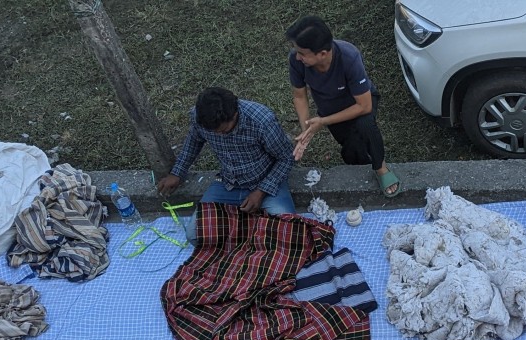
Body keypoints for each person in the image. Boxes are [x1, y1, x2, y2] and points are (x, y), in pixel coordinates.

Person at [286, 16, 401, 198]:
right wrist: (306, 128)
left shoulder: (349, 57)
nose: (297, 56)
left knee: (365, 126)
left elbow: (364, 106)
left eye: (302, 53)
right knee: (351, 147)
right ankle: (362, 165)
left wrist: (322, 122)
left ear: (322, 53)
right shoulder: (296, 60)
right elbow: (299, 95)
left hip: (360, 102)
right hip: (330, 109)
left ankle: (381, 168)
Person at [157, 87, 296, 235]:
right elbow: (193, 142)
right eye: (213, 132)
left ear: (235, 114)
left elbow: (287, 157)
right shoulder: (200, 117)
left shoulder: (262, 121)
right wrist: (177, 172)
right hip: (228, 183)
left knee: (286, 231)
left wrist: (261, 191)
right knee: (195, 235)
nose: (219, 135)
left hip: (265, 182)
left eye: (224, 131)